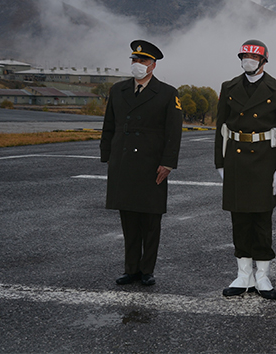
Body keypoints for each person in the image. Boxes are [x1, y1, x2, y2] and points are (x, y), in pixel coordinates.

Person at [100, 40, 183, 286]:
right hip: (123, 164)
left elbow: (173, 131)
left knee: (150, 220)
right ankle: (131, 269)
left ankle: (147, 270)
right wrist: (108, 157)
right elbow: (109, 126)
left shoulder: (168, 93)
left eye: (143, 61)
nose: (137, 65)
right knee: (129, 219)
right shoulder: (118, 90)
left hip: (151, 165)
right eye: (134, 60)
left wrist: (168, 163)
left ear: (153, 65)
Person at [214, 39, 276, 300]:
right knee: (239, 218)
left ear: (263, 61)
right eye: (244, 55)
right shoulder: (229, 87)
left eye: (253, 56)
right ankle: (243, 274)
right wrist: (219, 162)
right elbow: (220, 127)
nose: (248, 60)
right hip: (236, 159)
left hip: (264, 159)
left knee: (261, 220)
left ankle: (263, 276)